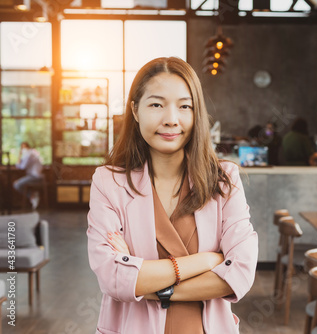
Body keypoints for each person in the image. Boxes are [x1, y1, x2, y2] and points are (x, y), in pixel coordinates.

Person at [87, 57, 258, 334]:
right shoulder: (109, 182)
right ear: (135, 110)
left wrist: (152, 286)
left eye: (184, 106)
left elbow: (239, 273)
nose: (171, 120)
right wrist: (207, 261)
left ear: (196, 113)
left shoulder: (223, 180)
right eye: (156, 104)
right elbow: (113, 277)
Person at [13, 142, 43, 209]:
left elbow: (22, 166)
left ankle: (32, 196)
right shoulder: (30, 153)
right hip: (35, 176)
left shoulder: (29, 154)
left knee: (16, 184)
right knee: (17, 183)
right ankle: (33, 195)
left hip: (35, 177)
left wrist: (19, 155)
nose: (23, 149)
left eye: (24, 147)